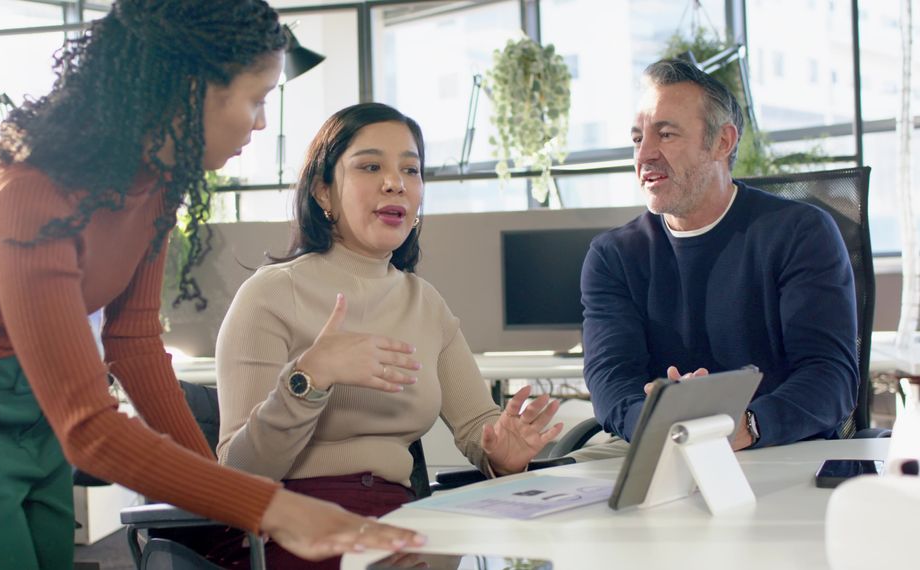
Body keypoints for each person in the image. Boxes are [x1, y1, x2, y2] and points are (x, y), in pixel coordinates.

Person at [0, 3, 423, 569]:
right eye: (255, 98)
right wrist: (271, 508)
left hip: (26, 400)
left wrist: (224, 502)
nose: (262, 121)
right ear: (188, 88)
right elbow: (89, 430)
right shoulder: (30, 194)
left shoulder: (157, 181)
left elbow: (136, 344)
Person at [213, 102, 565, 569]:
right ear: (324, 192)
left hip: (403, 523)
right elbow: (238, 476)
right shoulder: (271, 294)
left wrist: (505, 453)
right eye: (371, 166)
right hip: (295, 527)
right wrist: (309, 378)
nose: (395, 182)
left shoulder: (425, 303)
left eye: (410, 169)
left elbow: (479, 428)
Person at [574, 58, 858, 461]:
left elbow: (831, 377)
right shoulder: (613, 255)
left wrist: (743, 426)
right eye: (637, 139)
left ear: (722, 142)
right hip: (662, 453)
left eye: (666, 134)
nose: (645, 154)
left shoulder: (800, 232)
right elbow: (612, 381)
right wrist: (665, 426)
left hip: (777, 449)